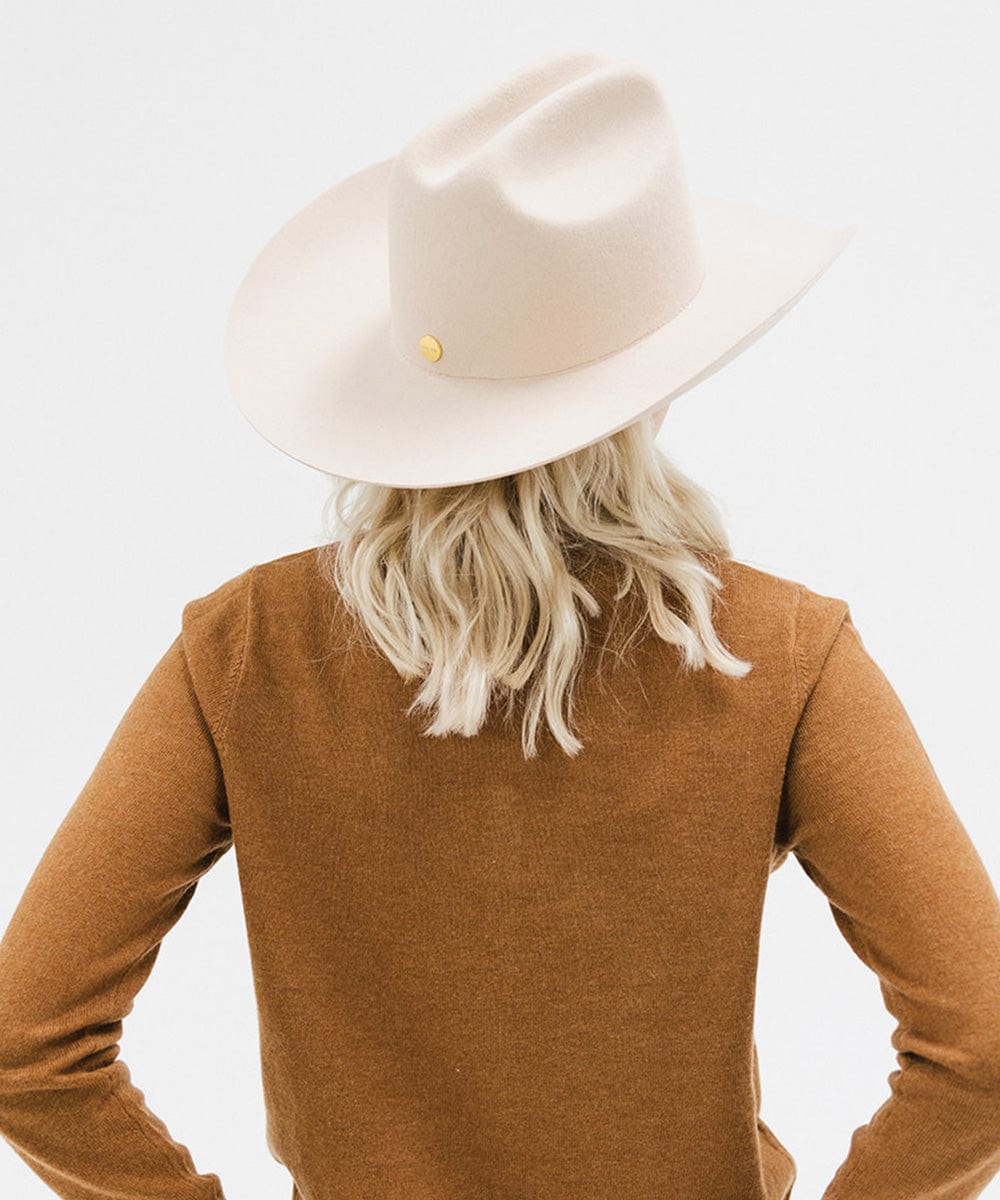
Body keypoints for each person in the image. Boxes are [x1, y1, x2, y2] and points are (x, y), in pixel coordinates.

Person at [1, 48, 998, 1200]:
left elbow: (27, 1045)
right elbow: (981, 1051)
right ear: (653, 383)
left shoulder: (247, 650)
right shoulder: (773, 653)